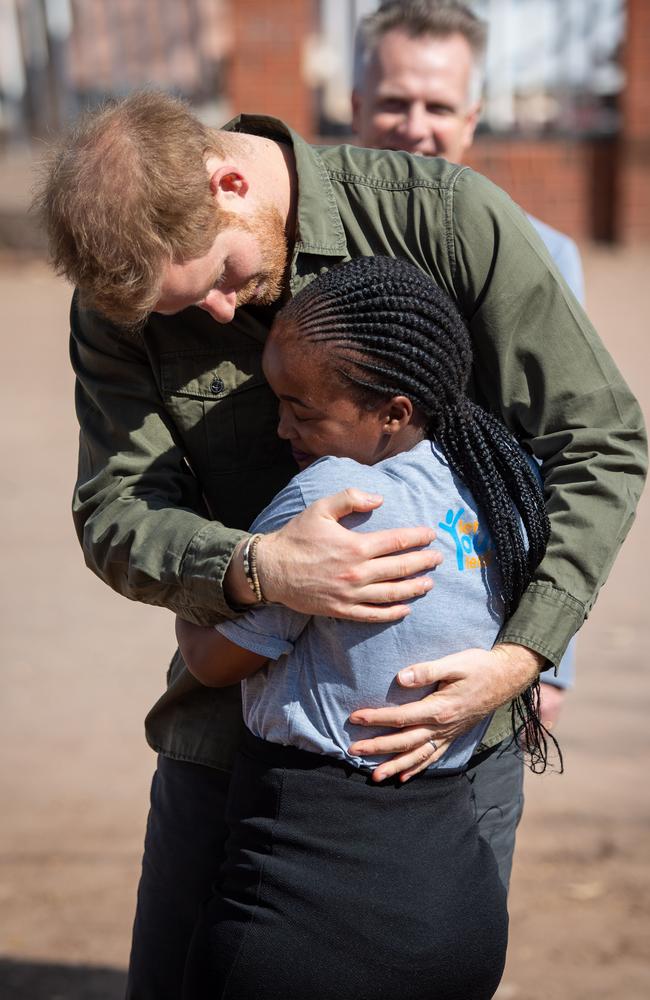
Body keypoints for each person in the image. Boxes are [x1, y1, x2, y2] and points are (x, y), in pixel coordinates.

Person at [34, 91, 646, 1000]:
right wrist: (260, 569)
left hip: (442, 743)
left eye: (220, 277)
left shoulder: (439, 219)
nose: (208, 312)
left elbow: (599, 442)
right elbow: (117, 511)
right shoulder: (125, 303)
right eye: (181, 303)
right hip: (228, 741)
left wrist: (521, 659)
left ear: (230, 182)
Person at [176, 255, 551, 999]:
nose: (282, 425)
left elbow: (213, 662)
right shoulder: (502, 481)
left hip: (309, 905)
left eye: (303, 409)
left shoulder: (333, 498)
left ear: (395, 413)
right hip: (460, 904)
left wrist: (207, 575)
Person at [352, 0, 584, 731]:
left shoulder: (542, 258)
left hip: (477, 615)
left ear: (474, 117)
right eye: (394, 101)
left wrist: (546, 654)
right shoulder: (313, 248)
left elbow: (564, 454)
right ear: (356, 106)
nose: (414, 125)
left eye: (438, 105)